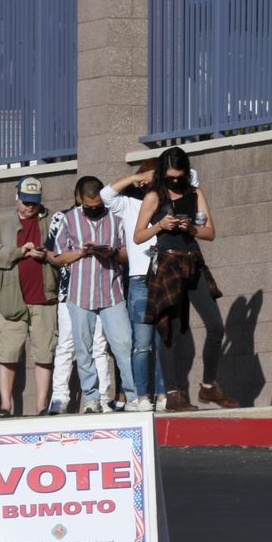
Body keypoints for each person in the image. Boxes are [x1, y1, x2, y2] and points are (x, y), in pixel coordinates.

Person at [134, 147, 236, 412]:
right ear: (162, 175)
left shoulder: (195, 194)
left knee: (215, 326)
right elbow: (138, 236)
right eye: (170, 177)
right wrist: (160, 226)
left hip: (193, 262)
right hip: (168, 264)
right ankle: (174, 393)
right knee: (172, 331)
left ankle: (209, 385)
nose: (176, 182)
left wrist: (192, 228)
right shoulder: (155, 196)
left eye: (180, 177)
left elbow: (210, 232)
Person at [51, 176, 140, 412]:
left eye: (97, 205)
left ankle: (133, 396)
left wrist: (111, 253)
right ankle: (92, 398)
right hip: (79, 294)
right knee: (83, 348)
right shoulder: (69, 219)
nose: (93, 210)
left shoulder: (115, 217)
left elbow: (127, 253)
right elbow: (58, 257)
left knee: (123, 344)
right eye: (88, 207)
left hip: (112, 292)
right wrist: (81, 252)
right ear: (79, 198)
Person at [0, 177, 59, 416]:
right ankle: (6, 404)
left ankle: (41, 406)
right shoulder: (1, 222)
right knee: (7, 351)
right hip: (10, 298)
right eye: (26, 202)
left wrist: (45, 255)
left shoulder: (52, 219)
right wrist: (18, 251)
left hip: (44, 297)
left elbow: (64, 250)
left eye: (34, 203)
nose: (29, 207)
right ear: (17, 196)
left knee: (45, 351)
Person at [103, 160, 167, 412]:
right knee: (142, 343)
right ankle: (142, 396)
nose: (147, 181)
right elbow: (105, 195)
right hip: (140, 278)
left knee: (164, 341)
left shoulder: (168, 203)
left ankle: (163, 394)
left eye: (153, 176)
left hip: (165, 277)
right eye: (145, 177)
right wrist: (132, 178)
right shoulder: (129, 204)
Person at [46, 183, 113, 416]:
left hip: (102, 291)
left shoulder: (108, 217)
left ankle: (102, 398)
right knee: (67, 344)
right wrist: (82, 252)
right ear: (78, 197)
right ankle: (59, 398)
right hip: (69, 291)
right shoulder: (63, 218)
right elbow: (52, 254)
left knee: (98, 346)